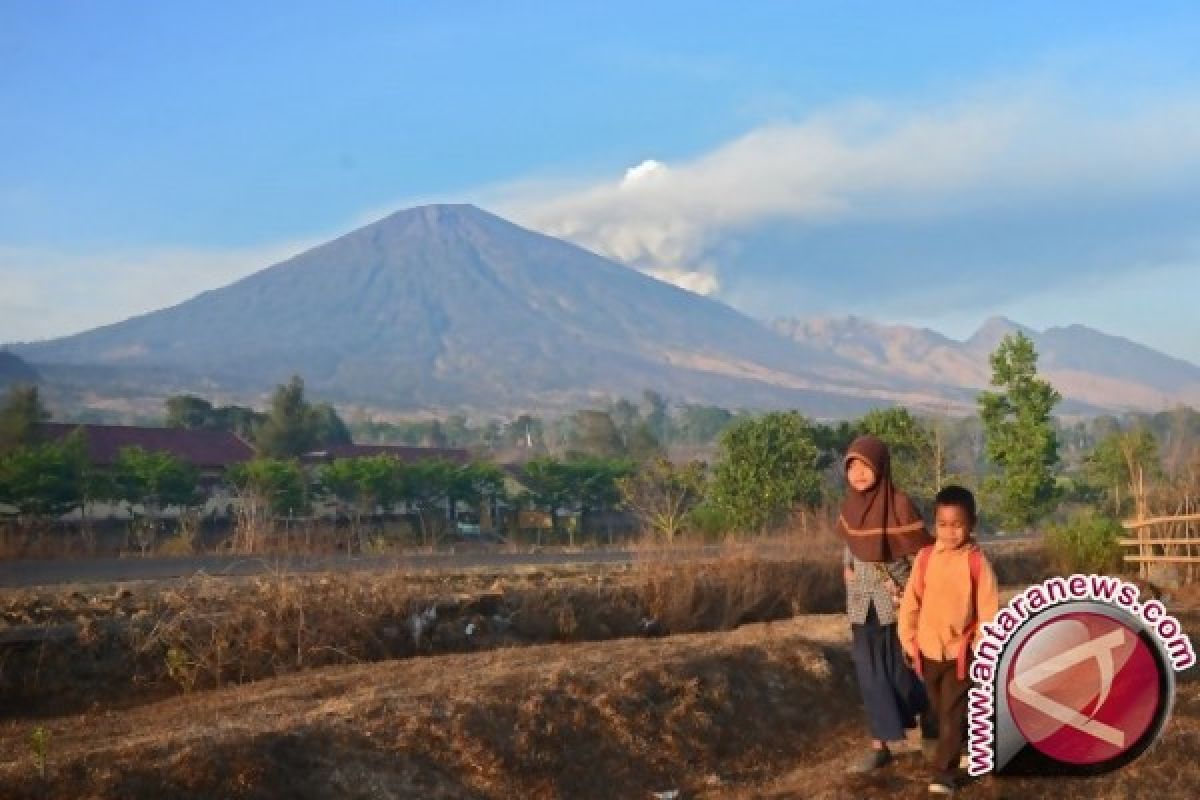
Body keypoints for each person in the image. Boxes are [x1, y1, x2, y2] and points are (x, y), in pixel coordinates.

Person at [840, 435, 935, 773]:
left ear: (880, 467)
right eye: (852, 466)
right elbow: (849, 545)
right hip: (860, 603)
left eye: (865, 466)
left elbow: (922, 557)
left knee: (900, 671)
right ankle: (878, 745)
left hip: (896, 605)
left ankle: (933, 714)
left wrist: (912, 594)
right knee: (868, 674)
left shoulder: (901, 505)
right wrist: (846, 568)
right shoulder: (850, 506)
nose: (858, 474)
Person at [898, 485, 999, 796]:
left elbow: (989, 612)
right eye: (943, 524)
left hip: (961, 654)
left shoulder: (977, 564)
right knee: (936, 708)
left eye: (958, 525)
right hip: (927, 649)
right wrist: (908, 638)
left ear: (972, 524)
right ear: (934, 523)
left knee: (953, 713)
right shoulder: (926, 558)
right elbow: (911, 601)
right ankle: (955, 748)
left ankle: (944, 773)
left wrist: (981, 646)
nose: (950, 531)